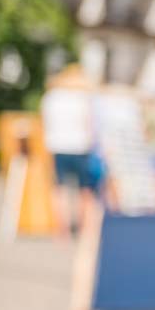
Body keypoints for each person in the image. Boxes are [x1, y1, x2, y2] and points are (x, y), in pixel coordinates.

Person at [40, 81, 96, 238]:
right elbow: (89, 123)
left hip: (57, 147)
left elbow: (45, 123)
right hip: (81, 147)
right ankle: (84, 228)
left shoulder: (50, 98)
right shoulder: (82, 97)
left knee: (60, 189)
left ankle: (61, 230)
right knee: (85, 190)